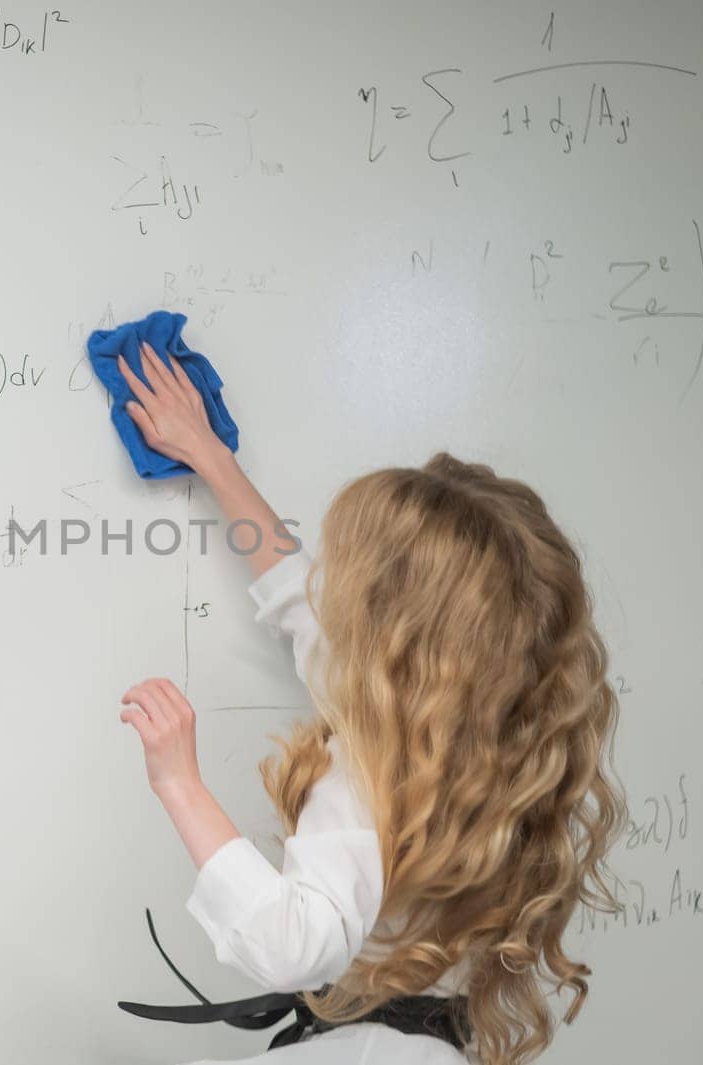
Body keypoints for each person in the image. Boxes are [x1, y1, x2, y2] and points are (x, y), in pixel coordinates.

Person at [112, 343, 624, 1065]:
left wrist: (178, 781)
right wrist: (209, 456)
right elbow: (298, 602)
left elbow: (291, 944)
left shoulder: (375, 768)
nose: (333, 588)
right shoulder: (481, 729)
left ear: (396, 622)